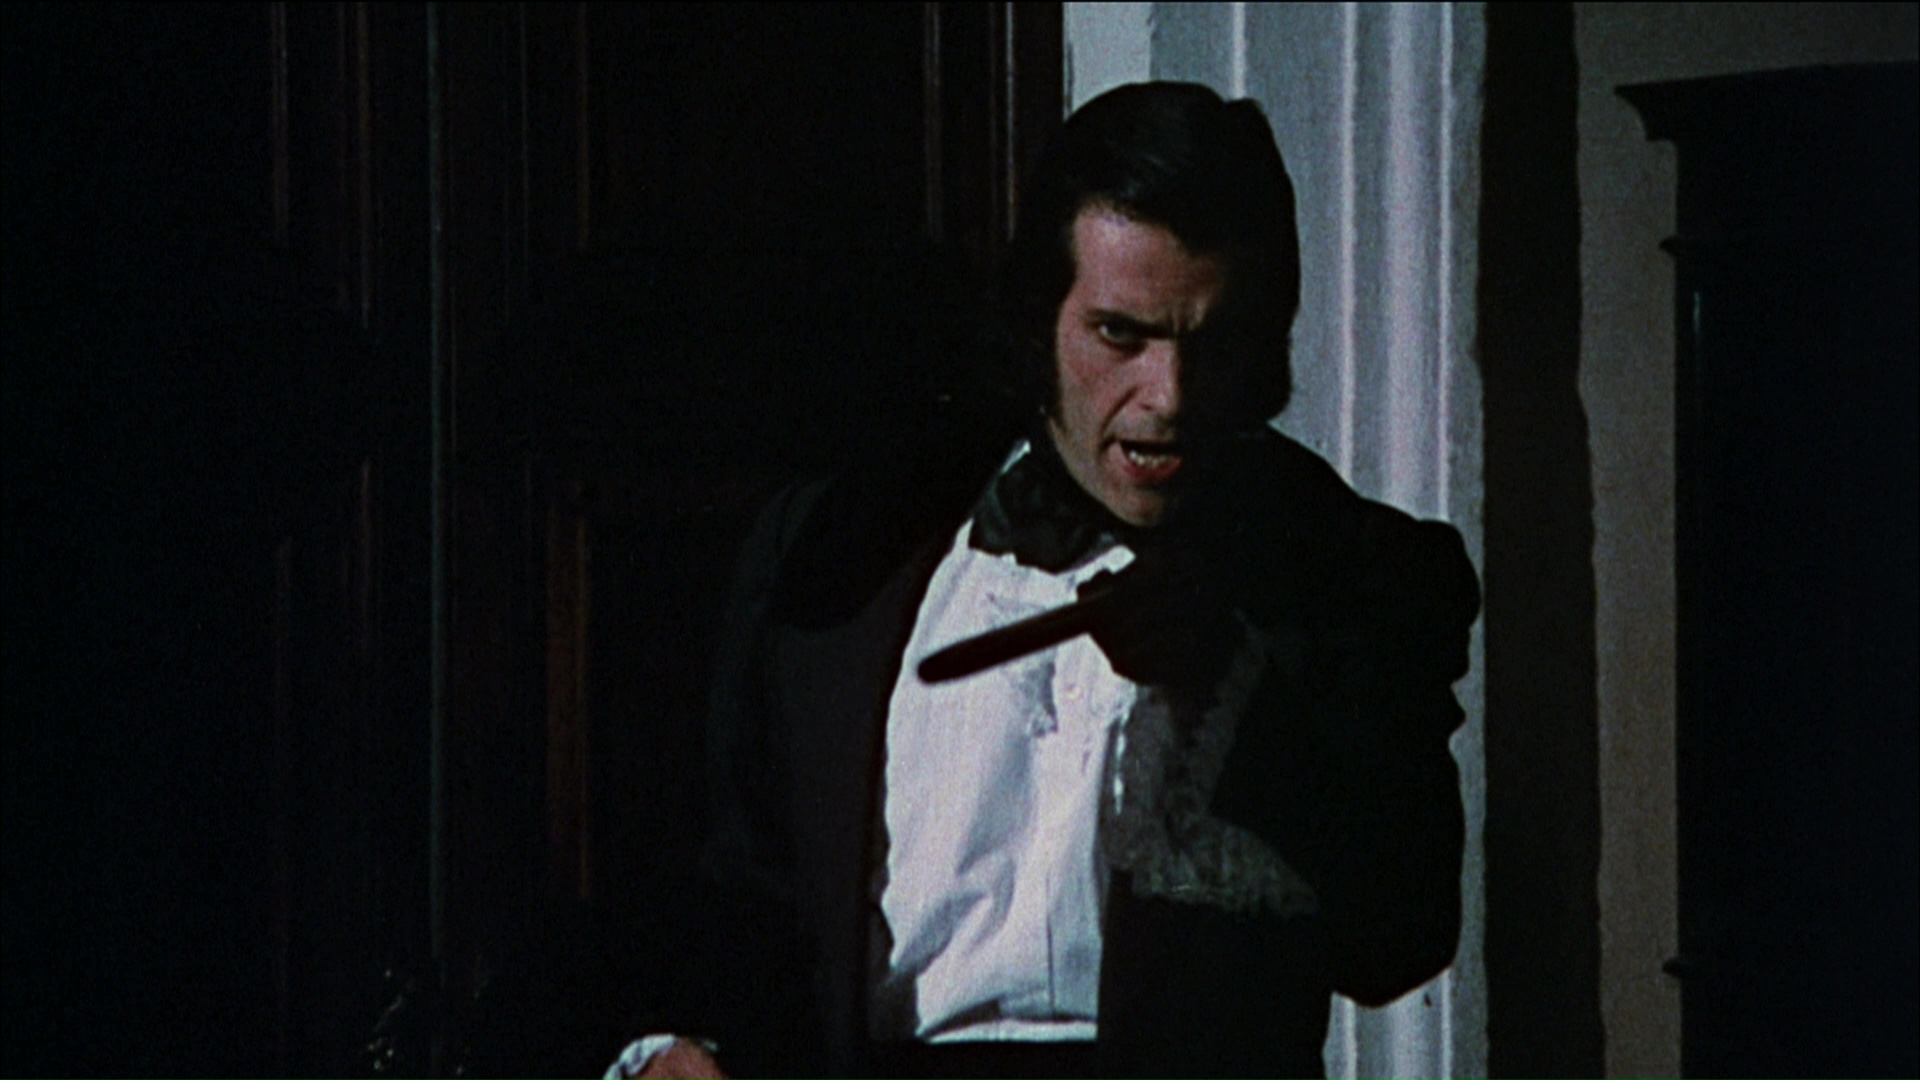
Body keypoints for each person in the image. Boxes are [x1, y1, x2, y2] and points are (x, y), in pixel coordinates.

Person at [607, 81, 1480, 1080]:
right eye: (1121, 335)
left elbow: (1400, 937)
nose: (1168, 398)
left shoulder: (1352, 568)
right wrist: (675, 1042)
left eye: (1212, 342)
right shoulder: (839, 545)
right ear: (1040, 321)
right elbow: (742, 896)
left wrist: (1237, 691)